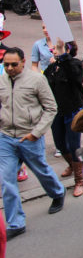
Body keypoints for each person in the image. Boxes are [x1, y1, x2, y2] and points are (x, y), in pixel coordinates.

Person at [0, 48, 66, 239]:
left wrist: (36, 133)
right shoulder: (2, 80)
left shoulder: (37, 80)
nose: (10, 68)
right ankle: (16, 223)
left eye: (14, 64)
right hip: (6, 138)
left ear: (23, 61)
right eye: (6, 65)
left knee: (41, 170)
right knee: (7, 181)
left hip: (29, 137)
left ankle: (57, 192)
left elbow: (51, 108)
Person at [44, 39, 83, 197]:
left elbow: (75, 77)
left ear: (67, 50)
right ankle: (72, 165)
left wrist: (62, 58)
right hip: (57, 111)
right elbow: (45, 83)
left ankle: (79, 180)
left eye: (57, 48)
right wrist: (53, 65)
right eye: (54, 48)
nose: (53, 50)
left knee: (75, 145)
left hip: (73, 110)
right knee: (60, 143)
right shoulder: (54, 66)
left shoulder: (75, 64)